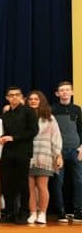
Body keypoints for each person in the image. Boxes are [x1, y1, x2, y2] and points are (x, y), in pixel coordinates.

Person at [0, 86, 38, 224]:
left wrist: (14, 138)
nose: (14, 97)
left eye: (17, 95)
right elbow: (4, 132)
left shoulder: (29, 112)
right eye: (11, 95)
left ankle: (23, 213)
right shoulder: (5, 115)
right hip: (8, 153)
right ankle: (9, 212)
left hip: (23, 152)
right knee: (7, 183)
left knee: (22, 183)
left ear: (21, 97)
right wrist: (2, 137)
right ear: (7, 98)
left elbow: (33, 131)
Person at [26, 90, 63, 224]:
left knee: (42, 186)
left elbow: (56, 137)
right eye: (31, 99)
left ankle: (42, 213)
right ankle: (33, 213)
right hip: (28, 155)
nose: (33, 101)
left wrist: (58, 155)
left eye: (36, 99)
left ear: (41, 101)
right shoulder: (24, 116)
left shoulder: (49, 118)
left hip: (44, 155)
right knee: (29, 187)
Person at [50, 81, 82, 222]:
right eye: (61, 90)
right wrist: (55, 152)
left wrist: (81, 147)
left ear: (72, 92)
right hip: (59, 152)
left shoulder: (77, 109)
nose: (64, 92)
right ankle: (61, 211)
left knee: (79, 181)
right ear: (57, 93)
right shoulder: (52, 109)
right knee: (58, 182)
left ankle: (78, 211)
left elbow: (80, 129)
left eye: (67, 90)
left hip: (76, 150)